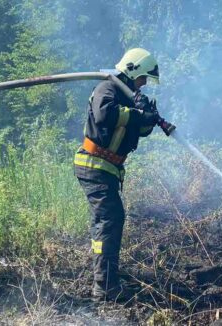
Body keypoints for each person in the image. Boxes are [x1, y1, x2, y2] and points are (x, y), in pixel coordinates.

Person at [74, 48, 162, 301]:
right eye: (142, 77)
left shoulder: (129, 95)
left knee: (108, 221)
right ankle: (104, 288)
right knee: (110, 220)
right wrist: (136, 114)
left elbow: (139, 130)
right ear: (132, 69)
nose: (144, 83)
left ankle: (106, 279)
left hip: (107, 168)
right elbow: (105, 115)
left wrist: (148, 117)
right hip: (93, 165)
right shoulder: (108, 88)